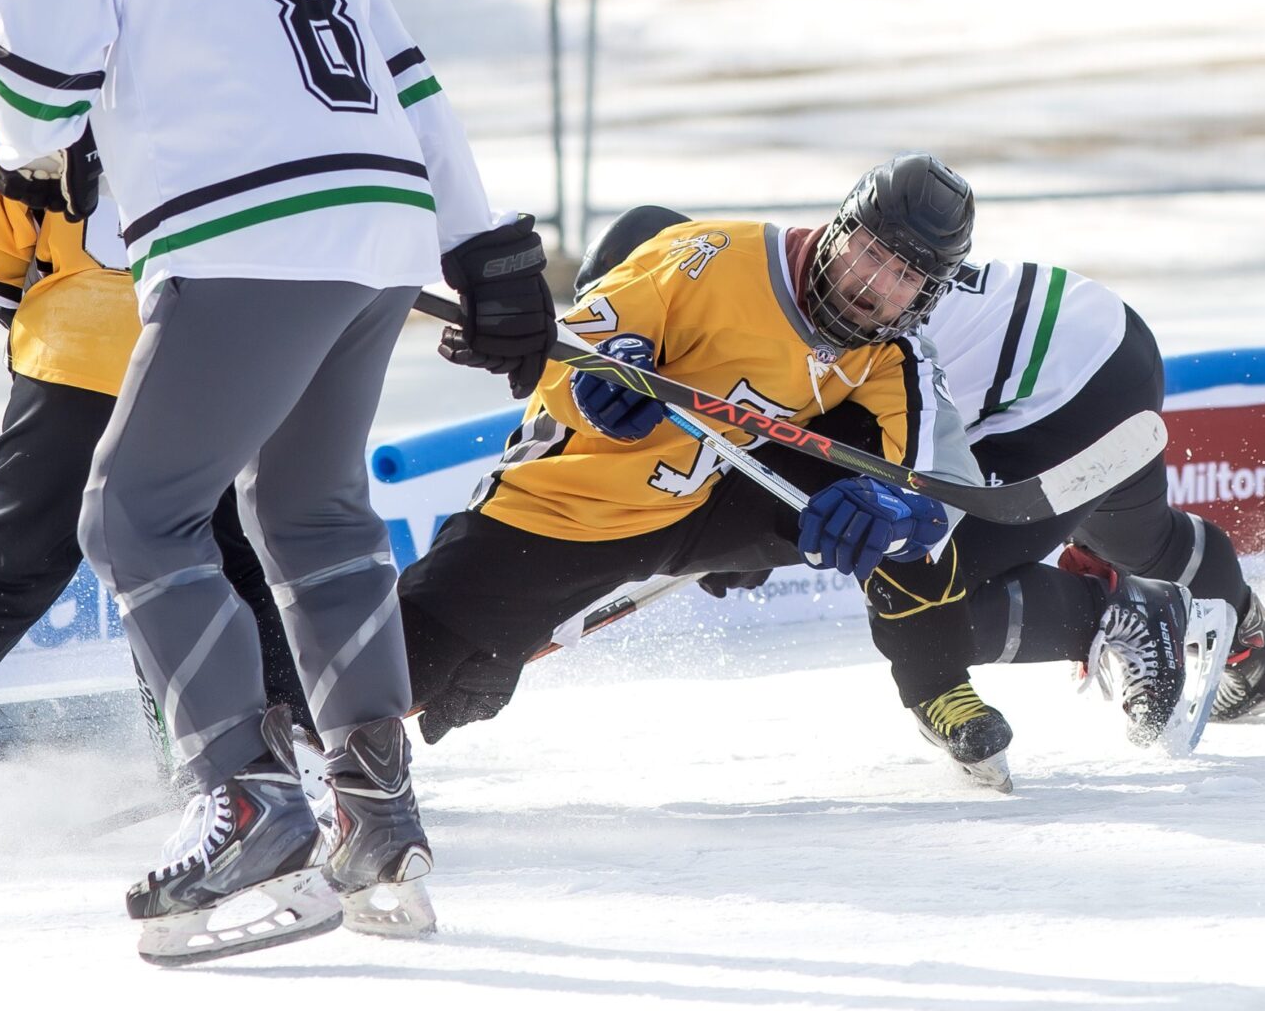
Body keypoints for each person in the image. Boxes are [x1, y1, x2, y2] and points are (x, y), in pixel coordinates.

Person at [0, 0, 557, 963]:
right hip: (380, 216)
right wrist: (482, 243)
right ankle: (376, 822)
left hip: (244, 223)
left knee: (133, 517)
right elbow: (402, 68)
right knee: (308, 509)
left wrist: (34, 142)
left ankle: (248, 797)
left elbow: (37, 90)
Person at [401, 153, 1207, 762]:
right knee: (412, 662)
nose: (877, 286)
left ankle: (943, 684)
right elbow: (571, 359)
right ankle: (293, 742)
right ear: (837, 231)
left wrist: (896, 511)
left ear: (929, 293)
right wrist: (593, 384)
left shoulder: (894, 357)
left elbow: (942, 485)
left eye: (905, 278)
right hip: (573, 513)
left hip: (722, 501)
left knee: (886, 499)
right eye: (870, 255)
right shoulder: (702, 259)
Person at [585, 210, 1265, 787]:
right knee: (1140, 537)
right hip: (1101, 339)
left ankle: (1127, 614)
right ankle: (1264, 653)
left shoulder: (746, 322)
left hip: (1067, 388)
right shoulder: (755, 270)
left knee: (920, 583)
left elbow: (836, 472)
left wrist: (741, 542)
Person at [0, 65, 310, 836]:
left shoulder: (57, 37)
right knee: (215, 547)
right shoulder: (236, 30)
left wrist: (45, 294)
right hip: (219, 336)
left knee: (14, 562)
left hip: (88, 342)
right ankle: (278, 753)